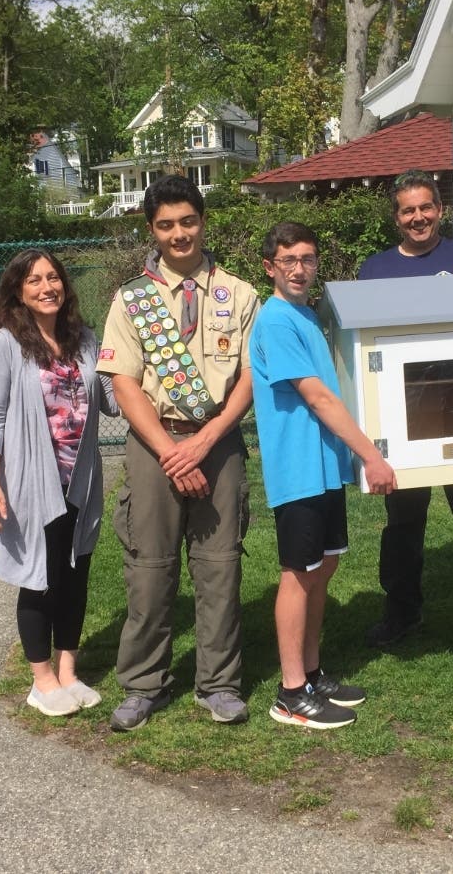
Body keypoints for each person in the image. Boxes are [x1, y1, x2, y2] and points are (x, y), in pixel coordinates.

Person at [96, 175, 259, 731]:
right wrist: (172, 452)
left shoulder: (237, 294)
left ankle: (218, 684)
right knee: (149, 567)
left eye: (188, 221)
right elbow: (123, 383)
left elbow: (250, 376)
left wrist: (207, 442)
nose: (179, 233)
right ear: (152, 230)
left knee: (219, 569)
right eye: (166, 225)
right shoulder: (131, 298)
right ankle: (144, 684)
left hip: (218, 440)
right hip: (153, 443)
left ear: (202, 221)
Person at [358, 169, 453, 647]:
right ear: (396, 217)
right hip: (402, 414)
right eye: (408, 210)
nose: (418, 217)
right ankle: (401, 615)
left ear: (440, 210)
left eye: (426, 207)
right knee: (403, 523)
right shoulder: (375, 269)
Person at [250, 222, 397, 729]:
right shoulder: (275, 321)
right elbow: (317, 396)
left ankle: (311, 673)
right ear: (270, 267)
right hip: (298, 470)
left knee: (323, 568)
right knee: (298, 574)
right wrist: (371, 456)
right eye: (288, 260)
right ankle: (290, 693)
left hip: (324, 467)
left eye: (307, 259)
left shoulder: (306, 315)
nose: (299, 268)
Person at [0, 248, 119, 717]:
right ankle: (41, 681)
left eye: (53, 277)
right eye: (35, 279)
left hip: (80, 478)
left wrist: (131, 347)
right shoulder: (5, 344)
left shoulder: (84, 340)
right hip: (31, 482)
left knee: (76, 572)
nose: (47, 287)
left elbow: (113, 401)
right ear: (19, 290)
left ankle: (68, 672)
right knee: (40, 579)